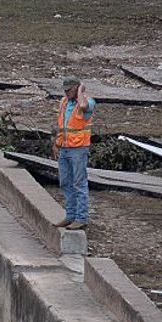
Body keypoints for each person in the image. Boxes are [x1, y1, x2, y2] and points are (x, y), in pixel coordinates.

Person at [53, 77, 95, 230]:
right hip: (64, 147)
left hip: (78, 148)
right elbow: (60, 125)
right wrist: (56, 143)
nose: (66, 93)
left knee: (79, 183)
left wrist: (80, 91)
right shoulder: (64, 102)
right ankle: (70, 215)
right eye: (65, 90)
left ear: (77, 89)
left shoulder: (88, 102)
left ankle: (81, 218)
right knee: (65, 182)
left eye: (70, 90)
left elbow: (83, 106)